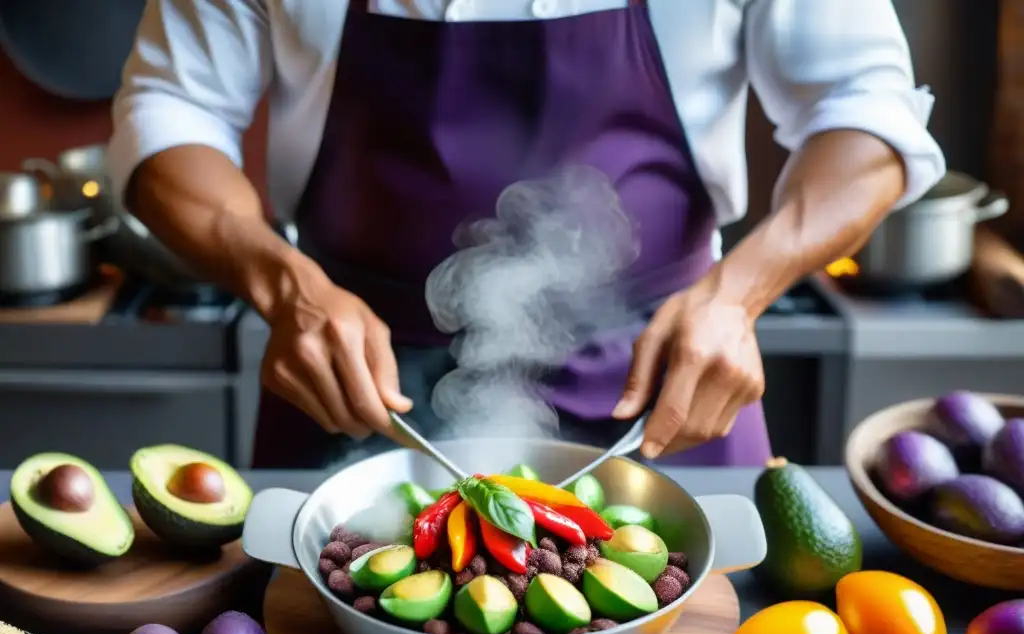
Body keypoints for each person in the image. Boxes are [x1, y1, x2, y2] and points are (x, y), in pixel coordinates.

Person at [108, 0, 946, 470]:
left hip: (665, 397)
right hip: (356, 395)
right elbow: (169, 111)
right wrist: (281, 283)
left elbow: (866, 109)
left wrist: (740, 293)